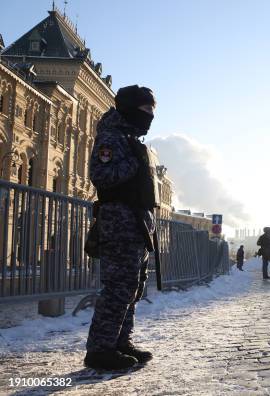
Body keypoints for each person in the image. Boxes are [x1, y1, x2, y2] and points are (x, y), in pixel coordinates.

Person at [84, 85, 158, 370]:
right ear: (129, 109)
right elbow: (100, 175)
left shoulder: (128, 138)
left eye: (153, 110)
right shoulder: (111, 137)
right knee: (118, 287)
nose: (150, 116)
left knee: (133, 287)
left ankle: (120, 341)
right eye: (146, 109)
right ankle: (100, 350)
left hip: (135, 221)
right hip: (119, 221)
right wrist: (134, 165)